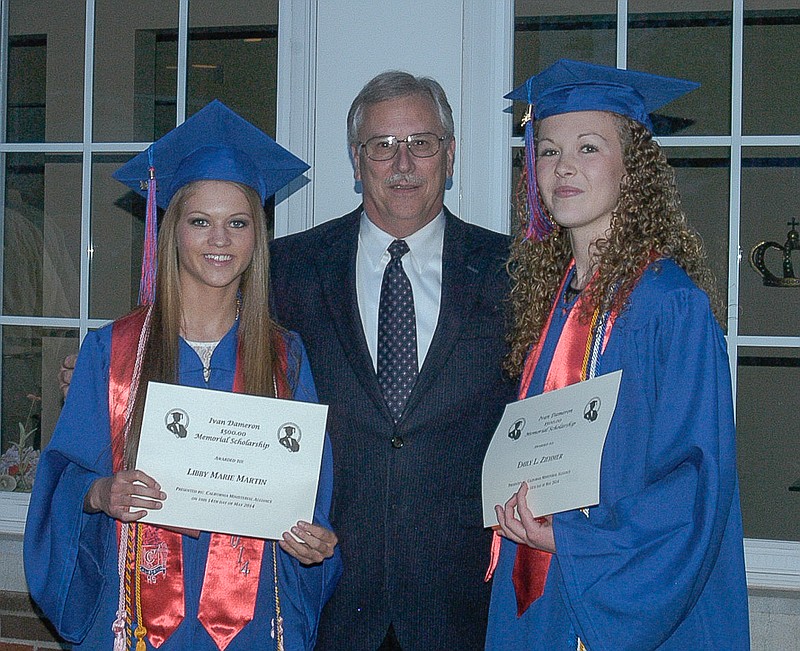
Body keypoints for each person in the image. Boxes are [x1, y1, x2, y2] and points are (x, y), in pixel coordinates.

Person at [24, 100, 342, 651]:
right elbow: (60, 480)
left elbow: (310, 497)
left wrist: (313, 544)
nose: (220, 239)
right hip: (132, 620)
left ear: (257, 236)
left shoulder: (285, 357)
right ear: (171, 231)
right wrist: (100, 493)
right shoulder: (112, 352)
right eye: (200, 221)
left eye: (237, 223)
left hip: (250, 624)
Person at [484, 59, 749, 650]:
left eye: (588, 147)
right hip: (546, 591)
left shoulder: (668, 305)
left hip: (622, 596)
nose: (564, 167)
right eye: (548, 152)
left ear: (634, 170)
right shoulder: (553, 300)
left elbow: (695, 483)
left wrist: (577, 540)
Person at [270, 71, 514, 650]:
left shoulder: (513, 272)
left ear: (448, 155)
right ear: (357, 161)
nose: (403, 164)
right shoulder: (288, 270)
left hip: (464, 606)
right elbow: (213, 354)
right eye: (382, 147)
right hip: (327, 594)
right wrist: (120, 377)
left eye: (421, 143)